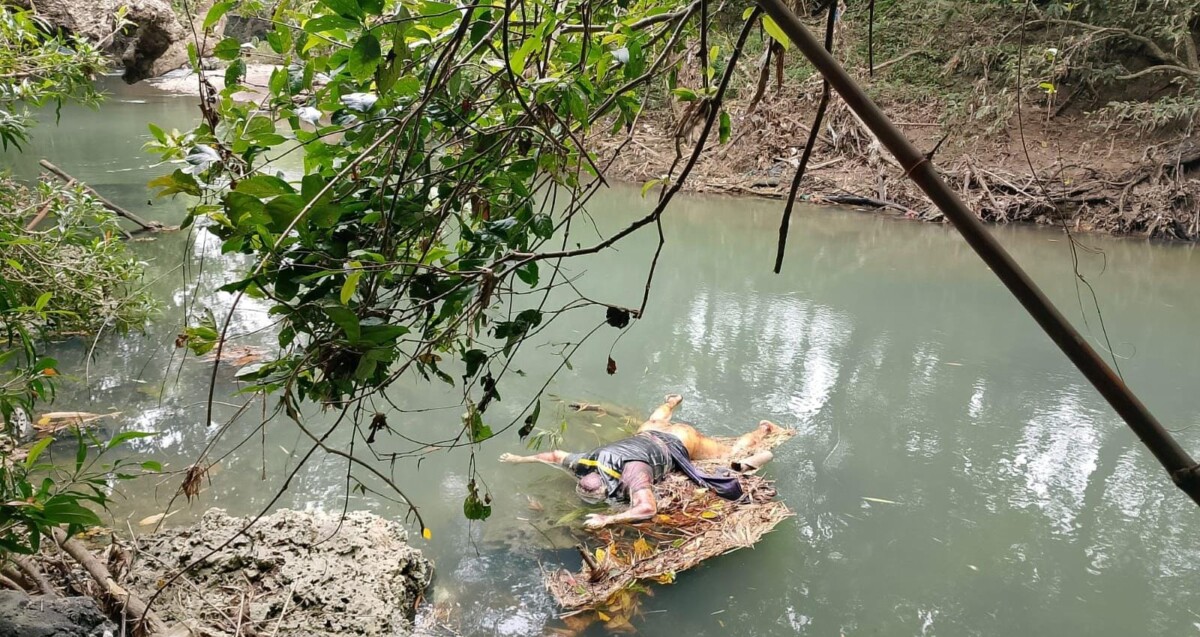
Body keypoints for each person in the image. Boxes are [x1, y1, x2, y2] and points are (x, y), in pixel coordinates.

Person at [500, 394, 782, 529]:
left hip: (682, 441)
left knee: (729, 452)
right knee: (658, 417)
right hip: (650, 431)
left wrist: (608, 519)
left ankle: (763, 431)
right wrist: (520, 458)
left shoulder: (634, 475)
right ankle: (672, 401)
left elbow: (647, 508)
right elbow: (554, 455)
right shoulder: (588, 461)